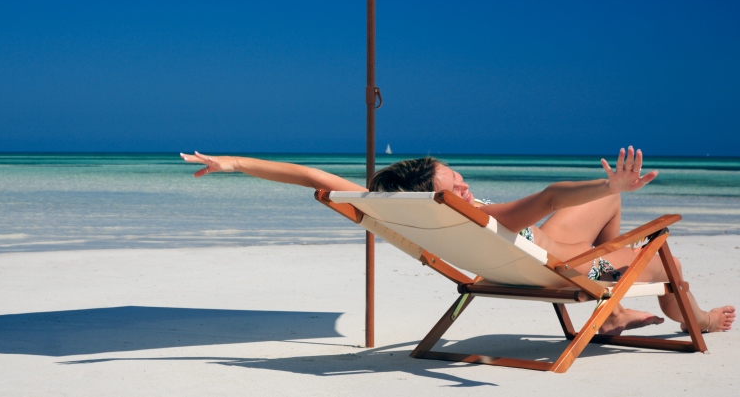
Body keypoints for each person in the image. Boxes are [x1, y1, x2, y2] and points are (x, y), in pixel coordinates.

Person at [181, 146, 734, 335]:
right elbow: (549, 196)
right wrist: (605, 182)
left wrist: (234, 163)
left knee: (610, 204)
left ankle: (610, 318)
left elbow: (312, 177)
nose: (464, 184)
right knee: (660, 246)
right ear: (437, 191)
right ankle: (693, 318)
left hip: (519, 262)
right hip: (568, 269)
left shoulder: (404, 212)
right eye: (454, 181)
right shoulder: (479, 214)